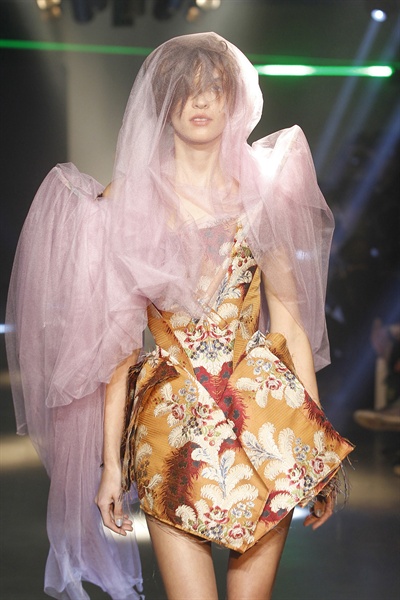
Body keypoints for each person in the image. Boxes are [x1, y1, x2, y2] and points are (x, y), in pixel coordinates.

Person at [6, 33, 353, 600]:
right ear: (162, 103)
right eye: (184, 89)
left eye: (214, 88)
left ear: (234, 99)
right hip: (170, 430)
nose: (200, 101)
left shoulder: (264, 195)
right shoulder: (126, 203)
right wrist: (110, 465)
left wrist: (316, 447)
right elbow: (118, 347)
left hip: (267, 418)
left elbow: (289, 322)